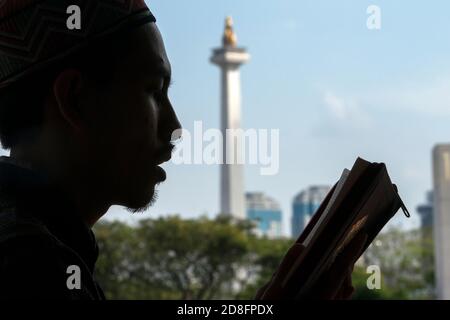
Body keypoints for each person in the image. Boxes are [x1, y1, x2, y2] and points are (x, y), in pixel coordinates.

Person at [0, 0, 362, 300]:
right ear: (76, 100)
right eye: (155, 90)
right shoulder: (30, 266)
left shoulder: (40, 246)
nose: (175, 128)